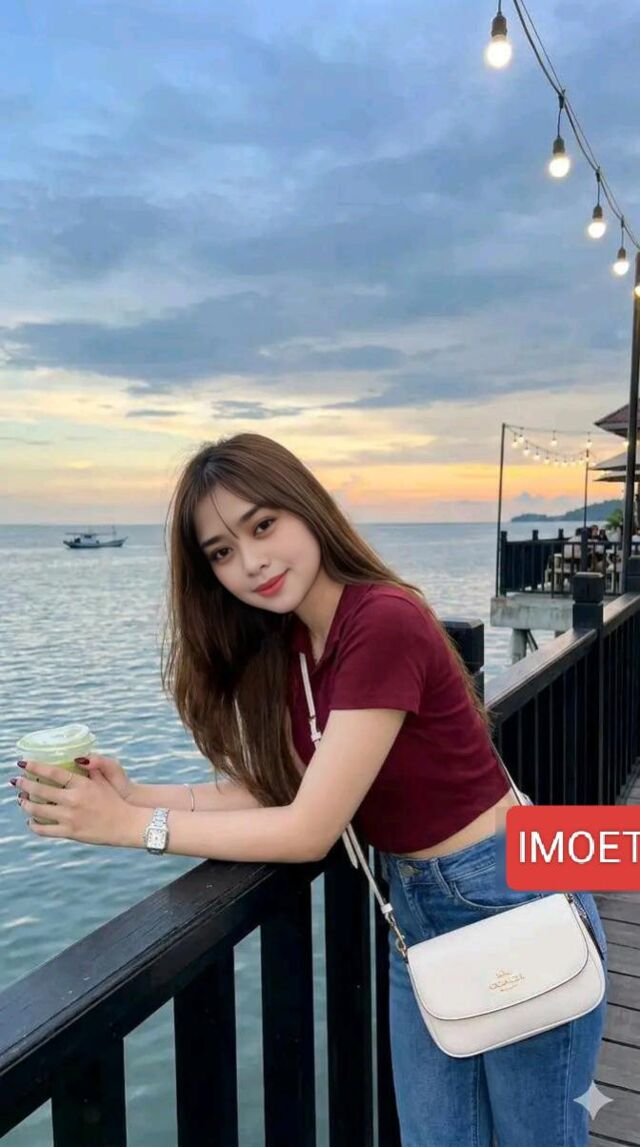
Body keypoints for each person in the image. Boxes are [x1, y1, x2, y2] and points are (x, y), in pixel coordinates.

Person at [14, 433, 608, 1146]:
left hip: (506, 892)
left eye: (263, 525)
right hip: (416, 914)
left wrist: (128, 828)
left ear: (307, 508)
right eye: (222, 552)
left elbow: (307, 829)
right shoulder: (299, 645)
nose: (251, 561)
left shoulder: (382, 621)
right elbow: (280, 790)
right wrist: (135, 793)